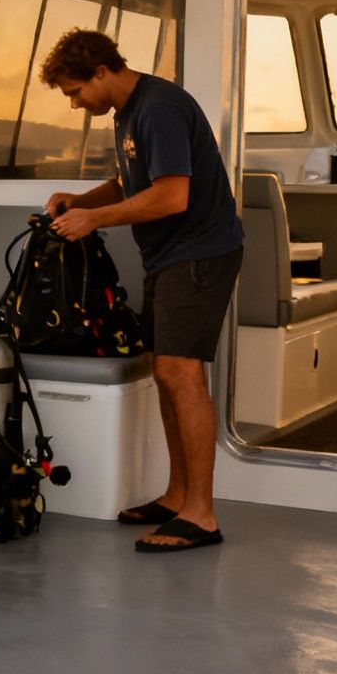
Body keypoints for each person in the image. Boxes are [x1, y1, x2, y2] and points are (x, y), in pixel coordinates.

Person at [41, 30, 243, 553]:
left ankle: (201, 514)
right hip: (168, 257)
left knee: (182, 374)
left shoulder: (159, 109)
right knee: (164, 371)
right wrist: (78, 200)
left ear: (101, 72)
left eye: (74, 91)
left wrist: (94, 220)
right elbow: (132, 182)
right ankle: (178, 497)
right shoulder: (127, 113)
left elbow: (173, 196)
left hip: (198, 254)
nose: (75, 104)